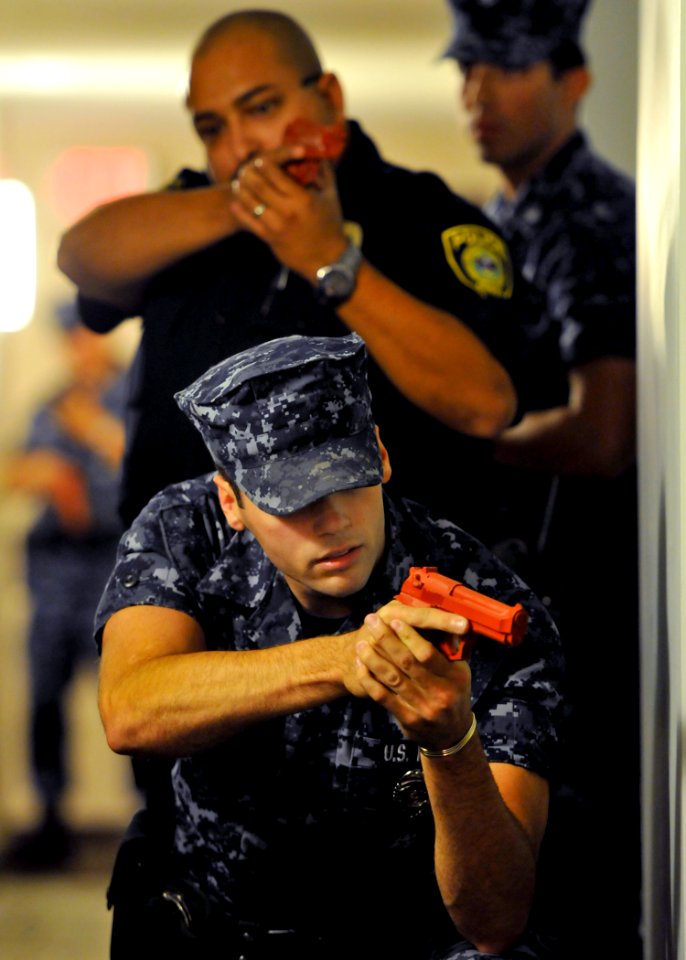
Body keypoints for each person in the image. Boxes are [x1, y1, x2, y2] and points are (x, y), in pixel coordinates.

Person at [96, 331, 564, 960]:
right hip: (217, 928)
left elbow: (495, 918)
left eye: (345, 478)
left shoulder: (482, 601)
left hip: (404, 940)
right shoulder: (188, 530)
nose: (330, 519)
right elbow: (131, 709)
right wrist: (340, 660)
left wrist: (451, 745)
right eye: (291, 498)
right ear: (232, 501)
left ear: (379, 454)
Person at [56, 7, 545, 541]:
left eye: (262, 108)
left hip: (375, 590)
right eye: (212, 128)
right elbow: (80, 256)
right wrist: (245, 204)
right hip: (186, 583)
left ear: (329, 99)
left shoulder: (419, 216)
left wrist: (332, 259)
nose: (241, 147)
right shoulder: (191, 213)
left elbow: (486, 405)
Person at [441, 1, 641, 956]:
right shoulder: (508, 214)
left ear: (575, 80)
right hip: (522, 602)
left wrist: (464, 443)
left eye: (506, 69)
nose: (477, 94)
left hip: (579, 606)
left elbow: (604, 432)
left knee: (565, 898)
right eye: (468, 70)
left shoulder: (585, 211)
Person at [0, 301, 126, 871]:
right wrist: (44, 473)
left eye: (83, 335)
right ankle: (50, 818)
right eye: (69, 338)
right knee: (45, 701)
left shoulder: (135, 395)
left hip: (115, 571)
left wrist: (95, 431)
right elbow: (15, 470)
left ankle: (157, 815)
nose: (78, 347)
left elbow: (147, 469)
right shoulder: (51, 403)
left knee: (131, 695)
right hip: (56, 574)